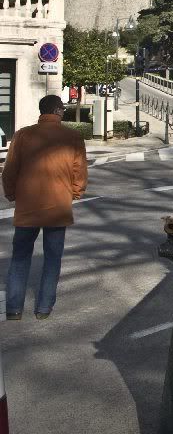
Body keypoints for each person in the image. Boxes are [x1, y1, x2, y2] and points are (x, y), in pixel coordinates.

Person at [3, 95, 88, 320]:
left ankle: (13, 308)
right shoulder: (72, 136)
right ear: (58, 111)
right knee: (52, 258)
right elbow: (79, 171)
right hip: (57, 206)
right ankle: (43, 308)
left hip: (27, 205)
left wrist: (11, 194)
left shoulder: (23, 135)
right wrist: (75, 192)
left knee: (20, 257)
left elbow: (10, 169)